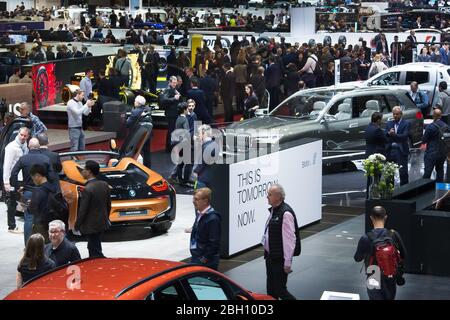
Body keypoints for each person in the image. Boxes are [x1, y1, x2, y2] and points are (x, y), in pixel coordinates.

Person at [354, 206, 406, 300]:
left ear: (371, 218)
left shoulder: (366, 238)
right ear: (385, 217)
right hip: (390, 274)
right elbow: (403, 255)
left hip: (373, 275)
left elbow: (357, 258)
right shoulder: (393, 235)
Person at [10, 138, 55, 245]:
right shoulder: (45, 158)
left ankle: (28, 246)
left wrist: (17, 187)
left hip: (28, 192)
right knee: (44, 217)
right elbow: (52, 176)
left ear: (29, 146)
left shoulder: (23, 159)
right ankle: (45, 244)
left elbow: (13, 174)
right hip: (43, 191)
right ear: (39, 146)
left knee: (29, 219)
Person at [263, 184, 300, 300]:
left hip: (279, 259)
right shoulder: (274, 211)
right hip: (271, 257)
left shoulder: (285, 213)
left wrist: (287, 263)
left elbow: (290, 240)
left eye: (269, 194)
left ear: (278, 197)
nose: (267, 197)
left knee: (280, 291)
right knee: (271, 291)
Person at [74, 160, 111, 258]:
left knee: (94, 250)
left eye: (84, 169)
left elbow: (83, 210)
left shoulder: (87, 189)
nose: (82, 172)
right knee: (95, 246)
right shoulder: (104, 184)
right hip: (102, 222)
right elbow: (108, 205)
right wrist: (106, 218)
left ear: (89, 171)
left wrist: (77, 225)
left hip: (90, 225)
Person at [3, 127, 29, 234]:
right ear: (18, 134)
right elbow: (7, 165)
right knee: (12, 202)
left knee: (23, 200)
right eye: (21, 135)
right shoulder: (11, 147)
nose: (22, 137)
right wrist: (6, 182)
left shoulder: (25, 146)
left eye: (25, 136)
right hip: (14, 179)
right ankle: (11, 226)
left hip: (23, 178)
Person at [190, 188, 221, 270]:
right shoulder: (199, 214)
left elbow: (214, 243)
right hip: (197, 256)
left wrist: (204, 258)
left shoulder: (213, 219)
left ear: (205, 201)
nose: (193, 201)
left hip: (206, 261)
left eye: (196, 199)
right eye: (193, 198)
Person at [28, 164, 58, 242]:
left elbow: (32, 209)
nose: (33, 181)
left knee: (39, 249)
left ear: (37, 176)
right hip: (54, 222)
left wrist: (28, 205)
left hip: (40, 224)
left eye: (33, 178)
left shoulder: (38, 190)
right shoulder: (54, 187)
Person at [385, 106, 411, 185]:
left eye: (397, 114)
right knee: (389, 173)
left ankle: (405, 191)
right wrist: (388, 133)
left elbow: (404, 136)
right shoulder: (389, 123)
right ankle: (389, 191)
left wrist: (394, 135)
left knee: (403, 172)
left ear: (401, 114)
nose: (395, 116)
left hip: (401, 150)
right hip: (390, 150)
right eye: (394, 114)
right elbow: (385, 134)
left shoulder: (406, 123)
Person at [169, 102, 193, 186]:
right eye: (187, 108)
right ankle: (184, 180)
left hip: (178, 143)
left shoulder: (178, 118)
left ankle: (180, 179)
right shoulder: (184, 119)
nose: (188, 110)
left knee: (180, 163)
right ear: (184, 110)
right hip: (184, 143)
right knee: (187, 163)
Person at [126, 95, 153, 168]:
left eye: (135, 101)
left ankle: (134, 167)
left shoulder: (135, 111)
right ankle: (148, 168)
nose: (134, 102)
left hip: (137, 135)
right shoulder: (148, 109)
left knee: (134, 151)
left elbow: (128, 123)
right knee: (147, 152)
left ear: (138, 103)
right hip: (147, 134)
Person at [422, 109, 448, 182]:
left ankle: (425, 189)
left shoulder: (430, 127)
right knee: (440, 171)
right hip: (442, 153)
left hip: (431, 153)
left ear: (433, 116)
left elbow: (424, 140)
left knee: (427, 172)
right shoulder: (446, 126)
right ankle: (440, 189)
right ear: (441, 116)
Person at [193, 125, 218, 189]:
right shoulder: (214, 144)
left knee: (200, 197)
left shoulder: (206, 147)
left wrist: (195, 171)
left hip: (203, 179)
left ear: (204, 134)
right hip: (212, 177)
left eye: (199, 133)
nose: (198, 135)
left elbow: (201, 163)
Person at [161, 76, 181, 152]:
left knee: (172, 130)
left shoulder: (173, 89)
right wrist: (174, 98)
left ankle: (170, 147)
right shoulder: (168, 89)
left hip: (174, 112)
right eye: (173, 82)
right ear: (170, 82)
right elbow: (164, 100)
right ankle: (168, 148)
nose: (175, 84)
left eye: (176, 82)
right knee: (171, 130)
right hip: (170, 113)